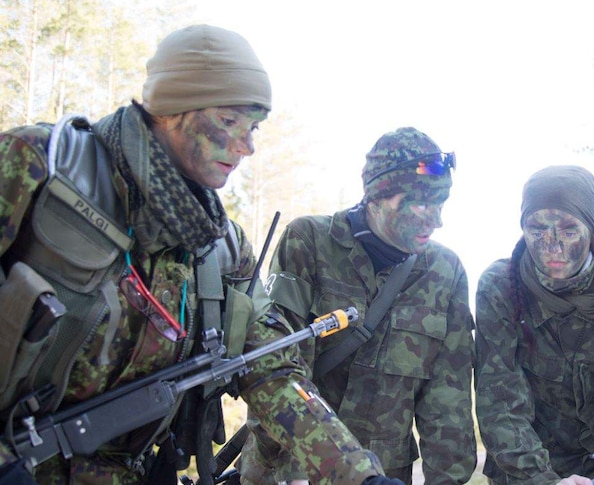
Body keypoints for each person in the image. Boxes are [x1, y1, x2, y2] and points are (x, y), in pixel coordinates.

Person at [0, 24, 400, 485]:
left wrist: (360, 476)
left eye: (253, 129)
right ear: (171, 108)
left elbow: (273, 371)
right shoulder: (39, 168)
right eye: (229, 122)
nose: (246, 147)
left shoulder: (220, 250)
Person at [239, 127, 477, 485]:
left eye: (440, 204)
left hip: (385, 476)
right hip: (297, 468)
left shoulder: (444, 272)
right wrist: (288, 469)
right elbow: (275, 371)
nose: (436, 220)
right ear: (378, 196)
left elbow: (448, 403)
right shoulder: (310, 242)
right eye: (422, 204)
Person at [474, 165, 594, 485]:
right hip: (529, 463)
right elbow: (500, 401)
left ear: (591, 229)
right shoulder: (501, 288)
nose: (551, 245)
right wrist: (542, 479)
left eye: (567, 230)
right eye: (536, 229)